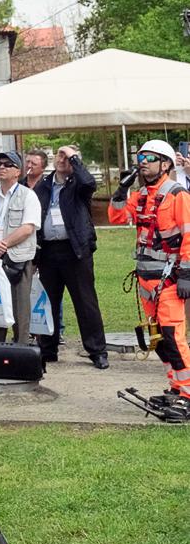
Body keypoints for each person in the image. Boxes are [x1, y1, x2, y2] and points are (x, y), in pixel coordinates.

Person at [109, 140, 190, 406]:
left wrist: (187, 274)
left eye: (150, 158)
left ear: (165, 164)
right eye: (141, 157)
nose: (143, 162)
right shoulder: (141, 195)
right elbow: (117, 217)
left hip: (169, 278)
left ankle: (188, 393)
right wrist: (121, 189)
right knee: (158, 338)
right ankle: (176, 387)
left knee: (171, 336)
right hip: (146, 279)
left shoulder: (178, 195)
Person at [33, 144, 107, 370]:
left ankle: (97, 350)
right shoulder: (43, 186)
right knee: (48, 302)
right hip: (48, 251)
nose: (62, 160)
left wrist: (74, 158)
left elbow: (89, 182)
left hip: (76, 251)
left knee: (85, 302)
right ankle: (48, 348)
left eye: (67, 158)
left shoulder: (78, 185)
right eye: (59, 156)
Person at [0, 149, 41, 344]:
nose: (2, 168)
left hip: (18, 260)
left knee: (20, 310)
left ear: (17, 171)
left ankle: (20, 350)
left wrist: (2, 245)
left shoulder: (28, 196)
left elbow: (28, 228)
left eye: (7, 165)